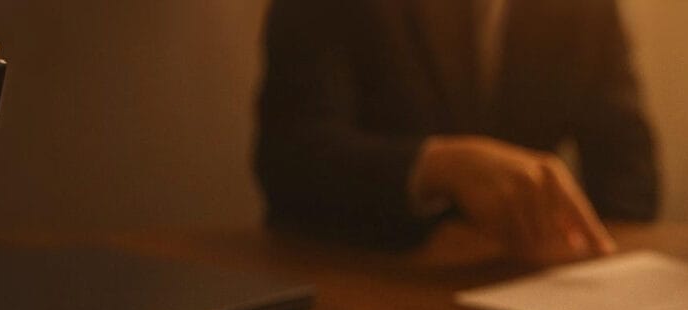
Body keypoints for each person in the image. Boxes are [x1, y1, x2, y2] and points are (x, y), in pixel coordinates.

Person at [256, 0, 659, 265]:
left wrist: (559, 238)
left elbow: (631, 184)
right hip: (365, 285)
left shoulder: (586, 10)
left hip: (531, 300)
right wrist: (436, 166)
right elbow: (289, 159)